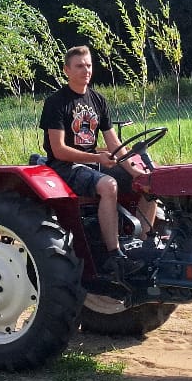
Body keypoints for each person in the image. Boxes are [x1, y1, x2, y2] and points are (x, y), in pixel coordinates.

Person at [41, 46, 147, 281]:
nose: (86, 70)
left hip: (92, 163)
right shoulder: (56, 102)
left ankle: (143, 244)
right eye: (79, 66)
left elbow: (113, 142)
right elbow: (58, 150)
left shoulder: (98, 99)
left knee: (148, 184)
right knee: (108, 185)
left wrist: (134, 171)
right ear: (67, 70)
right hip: (64, 168)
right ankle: (115, 254)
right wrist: (96, 158)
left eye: (88, 65)